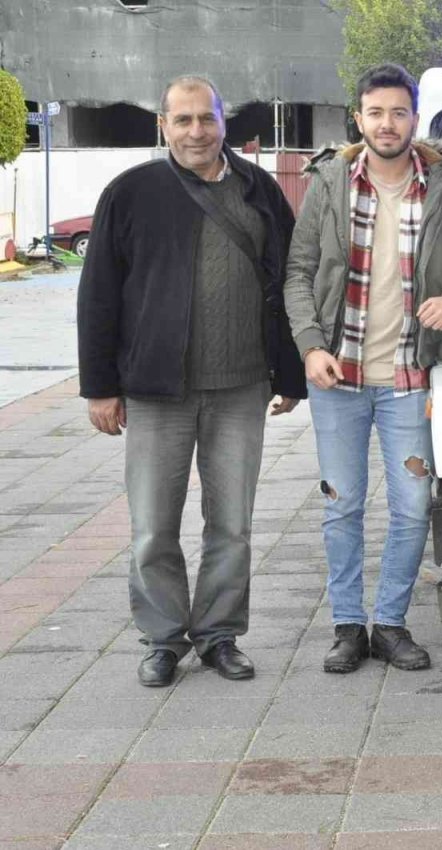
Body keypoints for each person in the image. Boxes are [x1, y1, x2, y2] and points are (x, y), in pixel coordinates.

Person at [77, 76, 306, 687]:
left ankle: (219, 635)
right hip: (156, 391)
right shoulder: (130, 193)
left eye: (206, 119)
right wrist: (100, 386)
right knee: (154, 526)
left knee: (232, 523)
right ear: (164, 126)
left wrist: (290, 372)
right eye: (183, 121)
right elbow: (98, 294)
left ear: (224, 123)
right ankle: (161, 638)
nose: (196, 131)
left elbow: (285, 283)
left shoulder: (259, 189)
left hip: (240, 390)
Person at [284, 63, 442, 673]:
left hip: (410, 379)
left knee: (412, 507)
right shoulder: (330, 181)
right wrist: (309, 345)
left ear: (414, 118)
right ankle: (348, 627)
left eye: (399, 112)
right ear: (359, 118)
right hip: (339, 377)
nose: (387, 123)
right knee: (342, 505)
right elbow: (299, 273)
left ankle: (390, 623)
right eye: (375, 112)